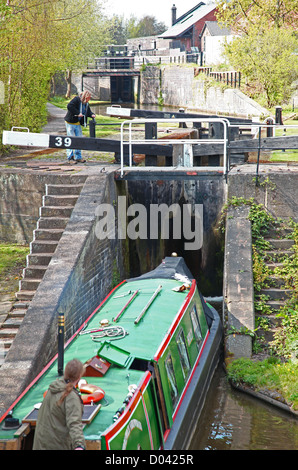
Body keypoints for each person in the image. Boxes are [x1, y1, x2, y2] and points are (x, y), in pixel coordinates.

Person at [33, 359, 86, 450]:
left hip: (40, 445)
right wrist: (79, 445)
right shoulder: (71, 397)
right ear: (79, 377)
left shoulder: (53, 389)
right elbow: (74, 423)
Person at [64, 90, 96, 163]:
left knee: (79, 139)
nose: (89, 99)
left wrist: (92, 114)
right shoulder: (76, 100)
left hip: (77, 123)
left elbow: (87, 111)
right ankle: (70, 157)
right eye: (89, 98)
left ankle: (78, 156)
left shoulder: (86, 103)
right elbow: (69, 106)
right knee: (70, 139)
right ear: (85, 97)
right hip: (70, 122)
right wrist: (78, 113)